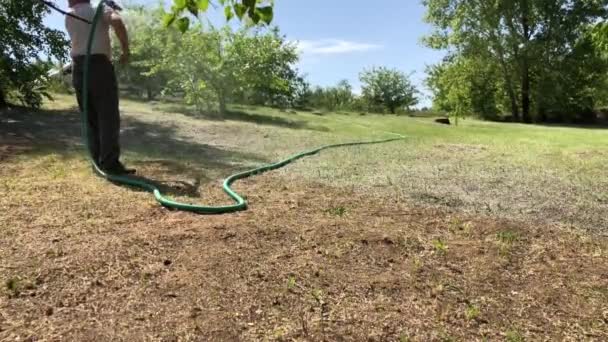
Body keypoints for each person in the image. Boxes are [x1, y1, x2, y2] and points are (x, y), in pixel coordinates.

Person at [66, 0, 135, 174]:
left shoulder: (69, 13)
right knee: (108, 115)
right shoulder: (98, 8)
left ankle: (96, 161)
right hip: (98, 66)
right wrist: (126, 50)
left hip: (78, 67)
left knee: (89, 117)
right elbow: (117, 22)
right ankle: (110, 164)